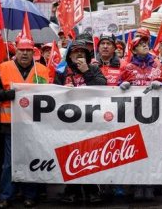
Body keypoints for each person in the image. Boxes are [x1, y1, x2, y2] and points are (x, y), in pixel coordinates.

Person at [0, 36, 50, 208]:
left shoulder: (43, 70)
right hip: (11, 125)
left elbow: (51, 94)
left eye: (28, 50)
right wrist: (6, 95)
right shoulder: (3, 68)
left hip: (35, 125)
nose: (24, 53)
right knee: (9, 163)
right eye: (21, 50)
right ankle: (5, 195)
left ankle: (30, 195)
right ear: (15, 51)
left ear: (34, 52)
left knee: (31, 160)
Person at [119, 35, 162, 201]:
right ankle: (137, 185)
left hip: (154, 116)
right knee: (135, 151)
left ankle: (149, 185)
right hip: (133, 117)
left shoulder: (158, 65)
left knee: (152, 151)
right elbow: (115, 89)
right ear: (133, 50)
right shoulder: (127, 67)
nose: (144, 46)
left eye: (145, 44)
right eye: (140, 45)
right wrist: (122, 86)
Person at [54, 40, 106, 204]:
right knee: (71, 155)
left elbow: (102, 86)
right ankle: (72, 191)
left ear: (87, 56)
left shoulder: (94, 68)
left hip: (91, 121)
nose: (79, 55)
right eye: (75, 53)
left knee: (89, 156)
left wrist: (86, 72)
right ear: (69, 56)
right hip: (68, 123)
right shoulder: (62, 71)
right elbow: (52, 92)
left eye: (82, 53)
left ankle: (92, 191)